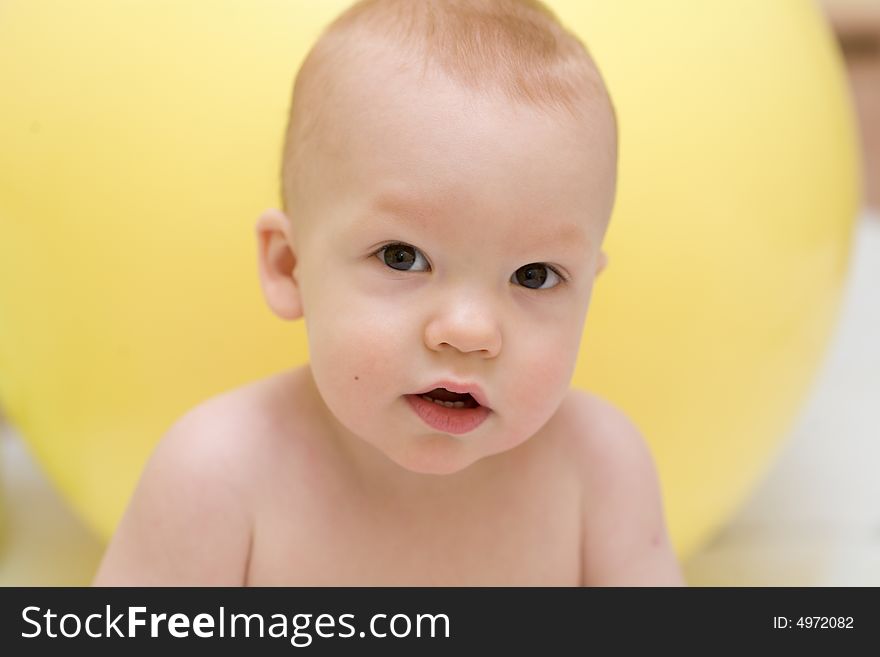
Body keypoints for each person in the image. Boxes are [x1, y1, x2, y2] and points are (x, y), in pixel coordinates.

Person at [93, 0, 685, 586]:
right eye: (403, 258)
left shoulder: (599, 469)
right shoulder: (217, 476)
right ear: (288, 264)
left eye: (534, 275)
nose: (470, 331)